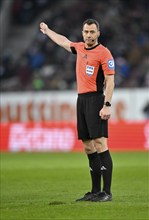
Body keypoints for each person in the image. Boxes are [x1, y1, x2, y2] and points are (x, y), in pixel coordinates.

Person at [40, 18, 115, 202]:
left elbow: (111, 80)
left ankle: (107, 192)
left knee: (100, 143)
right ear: (82, 33)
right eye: (86, 32)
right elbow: (63, 41)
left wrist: (107, 104)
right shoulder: (80, 48)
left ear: (98, 33)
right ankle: (95, 191)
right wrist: (48, 31)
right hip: (81, 100)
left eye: (92, 32)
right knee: (88, 146)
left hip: (96, 99)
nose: (89, 35)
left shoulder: (104, 53)